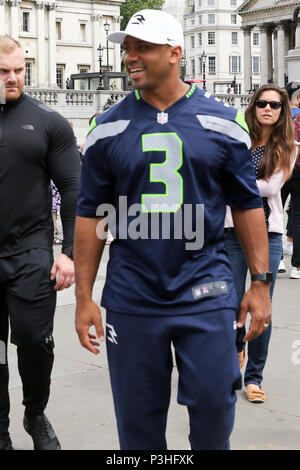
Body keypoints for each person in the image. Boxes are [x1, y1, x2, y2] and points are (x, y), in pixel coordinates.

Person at [74, 9, 272, 450]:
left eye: (141, 47)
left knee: (215, 404)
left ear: (174, 53)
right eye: (127, 48)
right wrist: (84, 297)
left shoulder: (224, 123)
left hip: (206, 287)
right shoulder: (106, 129)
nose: (130, 57)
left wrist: (260, 284)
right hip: (133, 293)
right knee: (138, 425)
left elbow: (247, 206)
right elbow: (90, 216)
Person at [0, 37, 81, 450]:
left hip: (30, 250)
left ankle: (35, 412)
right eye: (3, 71)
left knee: (34, 339)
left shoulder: (48, 121)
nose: (13, 78)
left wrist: (68, 253)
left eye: (19, 70)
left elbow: (72, 188)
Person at [225, 84, 296, 402]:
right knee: (230, 304)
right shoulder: (237, 142)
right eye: (262, 103)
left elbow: (270, 187)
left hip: (268, 235)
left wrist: (231, 184)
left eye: (275, 105)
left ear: (283, 111)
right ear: (253, 107)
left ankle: (254, 377)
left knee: (261, 310)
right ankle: (233, 355)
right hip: (230, 232)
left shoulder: (290, 147)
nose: (267, 108)